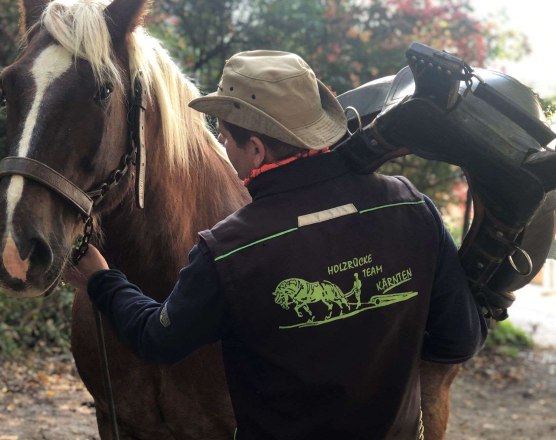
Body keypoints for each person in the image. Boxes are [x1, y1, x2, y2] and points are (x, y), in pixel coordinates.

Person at [64, 50, 486, 440]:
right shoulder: (414, 207)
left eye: (226, 140)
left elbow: (157, 339)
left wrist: (100, 279)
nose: (224, 150)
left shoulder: (230, 250)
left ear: (257, 149)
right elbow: (459, 340)